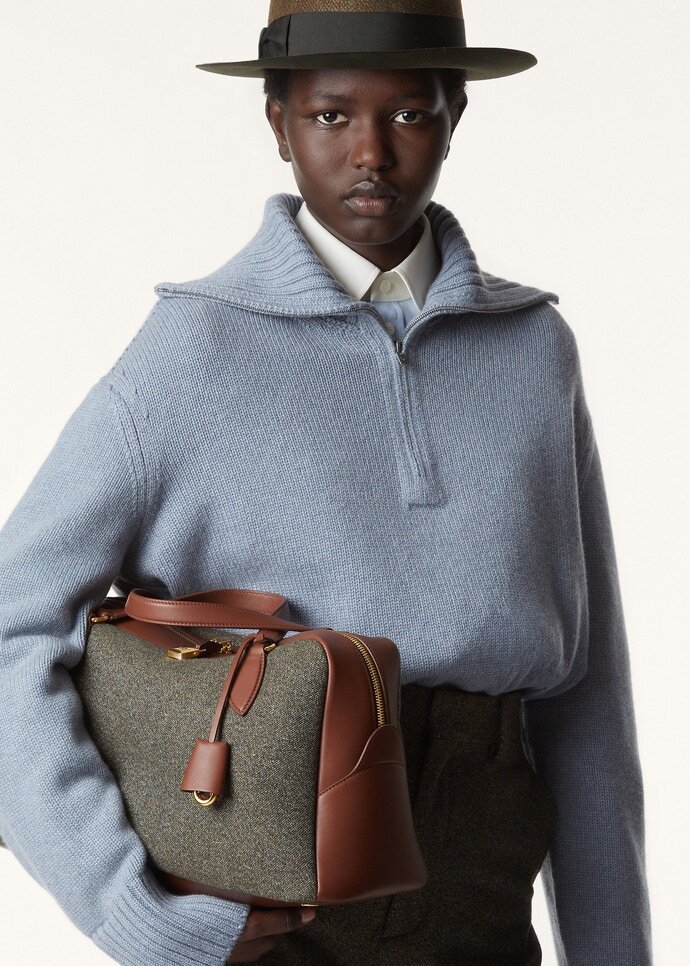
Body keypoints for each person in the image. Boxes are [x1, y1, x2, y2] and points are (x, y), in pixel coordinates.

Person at [0, 2, 653, 964]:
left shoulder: (533, 350)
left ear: (456, 116)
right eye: (330, 115)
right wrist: (128, 911)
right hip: (268, 882)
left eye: (410, 114)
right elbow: (12, 622)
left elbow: (588, 693)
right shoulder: (193, 350)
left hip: (482, 880)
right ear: (278, 123)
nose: (370, 154)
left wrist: (616, 948)